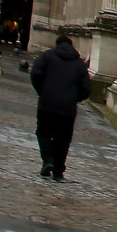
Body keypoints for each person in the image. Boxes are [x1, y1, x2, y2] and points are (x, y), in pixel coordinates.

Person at [29, 32, 91, 182]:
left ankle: (48, 159)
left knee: (43, 132)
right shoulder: (79, 64)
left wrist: (42, 91)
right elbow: (86, 88)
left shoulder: (47, 56)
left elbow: (35, 73)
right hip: (67, 108)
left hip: (47, 104)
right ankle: (58, 171)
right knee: (63, 139)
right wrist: (74, 99)